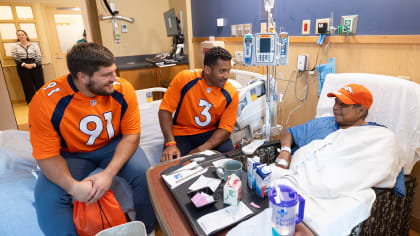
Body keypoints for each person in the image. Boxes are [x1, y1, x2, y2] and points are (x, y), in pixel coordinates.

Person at [28, 43, 155, 235]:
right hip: (72, 154)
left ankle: (147, 229)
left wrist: (109, 174)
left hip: (114, 144)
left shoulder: (122, 89)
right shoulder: (46, 101)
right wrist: (73, 187)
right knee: (48, 199)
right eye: (106, 75)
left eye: (114, 71)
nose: (114, 79)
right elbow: (46, 155)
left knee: (145, 174)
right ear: (83, 76)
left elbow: (131, 136)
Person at [270, 84, 403, 235]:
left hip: (326, 193)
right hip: (295, 177)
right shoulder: (322, 124)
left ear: (361, 110)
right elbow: (289, 132)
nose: (336, 107)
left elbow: (383, 171)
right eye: (335, 102)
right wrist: (286, 151)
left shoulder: (379, 137)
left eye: (343, 104)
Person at [159, 47, 239, 162]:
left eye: (228, 71)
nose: (226, 76)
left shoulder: (231, 93)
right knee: (171, 165)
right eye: (222, 71)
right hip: (182, 133)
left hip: (211, 134)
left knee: (231, 161)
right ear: (207, 70)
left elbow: (225, 129)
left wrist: (201, 149)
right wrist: (170, 143)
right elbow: (164, 110)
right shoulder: (185, 79)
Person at [11, 29, 44, 104]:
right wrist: (25, 65)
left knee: (40, 84)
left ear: (26, 35)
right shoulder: (14, 46)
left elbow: (39, 57)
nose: (21, 36)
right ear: (17, 37)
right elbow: (15, 57)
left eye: (22, 34)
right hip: (22, 67)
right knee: (27, 85)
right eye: (19, 35)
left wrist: (33, 65)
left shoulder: (34, 45)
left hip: (35, 66)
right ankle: (31, 102)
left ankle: (42, 100)